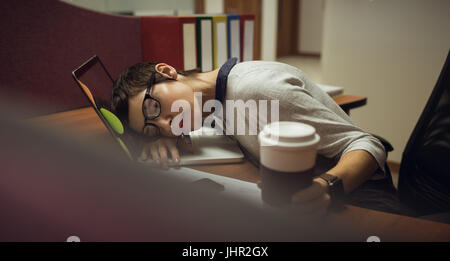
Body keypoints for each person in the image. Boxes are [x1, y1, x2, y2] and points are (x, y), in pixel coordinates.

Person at [111, 58, 412, 216]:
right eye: (152, 128)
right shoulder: (214, 95)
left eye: (154, 107)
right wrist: (169, 135)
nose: (166, 124)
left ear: (166, 71)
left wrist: (326, 186)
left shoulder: (256, 91)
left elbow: (368, 144)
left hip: (360, 201)